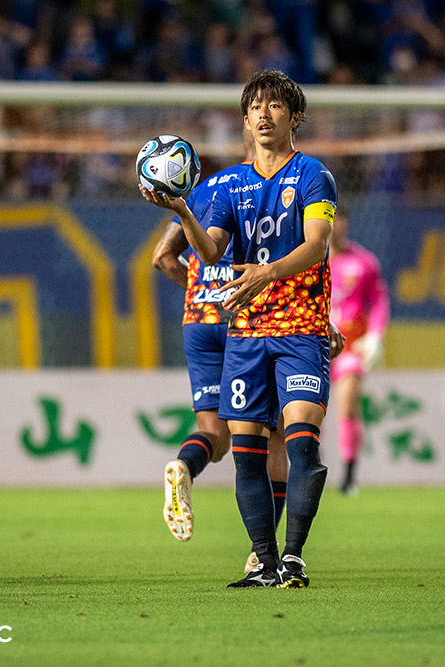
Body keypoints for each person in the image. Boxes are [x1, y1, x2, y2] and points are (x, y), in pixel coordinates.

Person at [142, 69, 338, 589]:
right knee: (247, 456)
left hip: (300, 327)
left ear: (295, 117)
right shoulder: (231, 185)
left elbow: (316, 245)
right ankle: (264, 563)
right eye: (255, 108)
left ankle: (293, 558)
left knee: (300, 445)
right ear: (245, 121)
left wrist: (266, 273)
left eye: (274, 106)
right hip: (245, 333)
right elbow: (210, 253)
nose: (263, 115)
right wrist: (181, 208)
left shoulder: (314, 175)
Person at [151, 127, 290, 546]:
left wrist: (202, 290)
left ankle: (184, 467)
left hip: (198, 320)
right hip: (245, 321)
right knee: (275, 435)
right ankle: (263, 551)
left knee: (215, 436)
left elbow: (162, 258)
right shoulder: (268, 190)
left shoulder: (201, 191)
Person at [328, 207, 390, 496]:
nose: (334, 226)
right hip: (311, 345)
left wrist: (375, 335)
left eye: (339, 220)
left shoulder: (363, 263)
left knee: (347, 403)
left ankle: (349, 477)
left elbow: (378, 301)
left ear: (346, 224)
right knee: (305, 411)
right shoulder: (305, 259)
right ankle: (305, 470)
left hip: (349, 346)